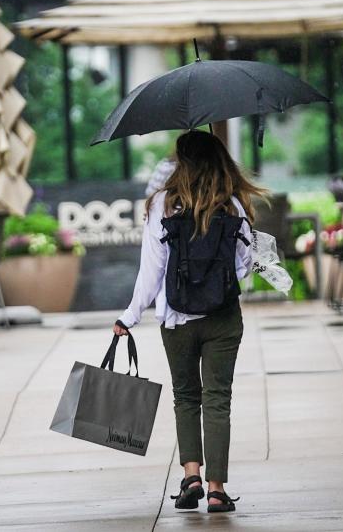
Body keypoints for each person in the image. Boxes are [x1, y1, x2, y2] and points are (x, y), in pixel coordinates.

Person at [113, 129, 266, 514]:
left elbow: (151, 271)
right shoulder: (232, 205)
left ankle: (191, 476)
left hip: (176, 319)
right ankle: (216, 490)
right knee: (218, 399)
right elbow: (244, 268)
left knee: (186, 397)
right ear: (218, 161)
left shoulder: (162, 204)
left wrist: (129, 316)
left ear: (181, 163)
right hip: (223, 318)